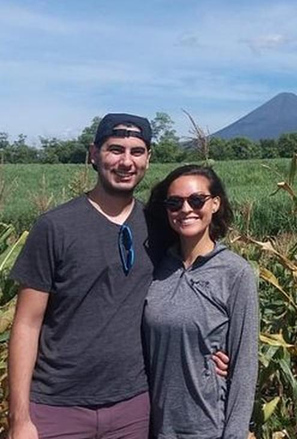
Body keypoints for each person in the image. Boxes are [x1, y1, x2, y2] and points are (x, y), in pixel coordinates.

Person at [7, 114, 230, 439]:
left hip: (134, 407)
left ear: (148, 158)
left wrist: (210, 350)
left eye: (137, 151)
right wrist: (19, 418)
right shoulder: (55, 227)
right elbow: (27, 323)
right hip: (57, 406)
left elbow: (195, 285)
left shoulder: (161, 226)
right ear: (94, 154)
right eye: (115, 150)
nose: (126, 161)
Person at [143, 164, 258, 438]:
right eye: (175, 202)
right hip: (152, 425)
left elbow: (245, 363)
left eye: (196, 200)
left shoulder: (235, 272)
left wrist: (235, 433)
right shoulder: (155, 266)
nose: (185, 209)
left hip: (206, 426)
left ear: (215, 203)